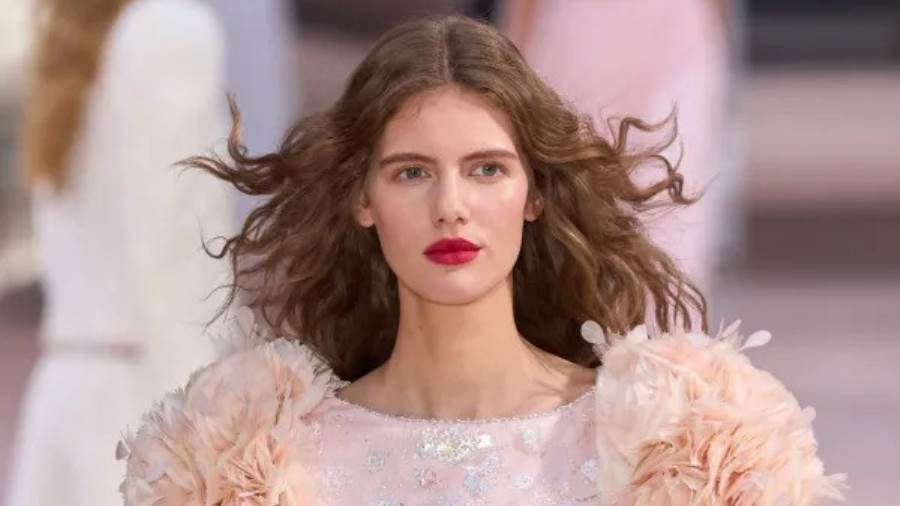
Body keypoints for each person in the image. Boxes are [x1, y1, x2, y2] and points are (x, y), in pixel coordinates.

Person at [118, 15, 844, 505]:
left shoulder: (683, 446)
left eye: (487, 169)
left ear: (535, 193)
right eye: (411, 172)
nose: (451, 206)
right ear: (362, 199)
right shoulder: (249, 464)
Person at [5, 0, 234, 504]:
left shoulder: (72, 35)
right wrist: (208, 428)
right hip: (144, 402)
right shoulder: (171, 31)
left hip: (64, 389)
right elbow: (172, 249)